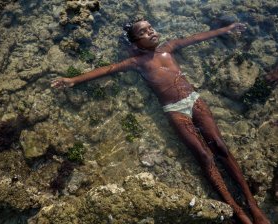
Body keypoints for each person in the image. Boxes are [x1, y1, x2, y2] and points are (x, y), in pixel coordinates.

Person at [51, 18, 270, 224]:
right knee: (204, 156)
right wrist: (73, 80)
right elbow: (107, 69)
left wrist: (225, 29)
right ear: (136, 42)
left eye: (150, 28)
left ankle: (253, 205)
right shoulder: (136, 61)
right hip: (175, 110)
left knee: (221, 147)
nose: (151, 32)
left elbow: (196, 38)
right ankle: (236, 209)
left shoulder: (168, 47)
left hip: (195, 101)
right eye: (143, 32)